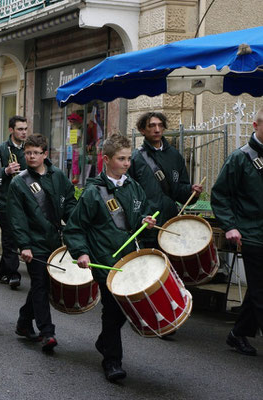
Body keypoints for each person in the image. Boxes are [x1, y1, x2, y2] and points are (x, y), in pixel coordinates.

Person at [63, 133, 156, 382]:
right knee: (112, 309)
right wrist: (81, 252)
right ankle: (112, 362)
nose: (127, 163)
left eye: (128, 158)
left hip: (130, 260)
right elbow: (75, 227)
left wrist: (147, 220)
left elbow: (142, 211)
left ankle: (104, 341)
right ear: (106, 160)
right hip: (105, 260)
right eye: (121, 159)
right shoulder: (93, 192)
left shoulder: (134, 186)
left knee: (125, 309)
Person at [7, 133, 77, 352]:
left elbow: (70, 202)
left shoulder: (58, 176)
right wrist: (24, 245)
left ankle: (23, 322)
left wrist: (76, 225)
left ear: (45, 154)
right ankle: (47, 332)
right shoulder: (19, 183)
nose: (31, 157)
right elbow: (17, 218)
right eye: (28, 153)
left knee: (43, 285)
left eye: (36, 153)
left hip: (54, 240)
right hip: (34, 242)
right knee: (39, 283)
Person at [211, 108, 263, 357]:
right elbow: (220, 195)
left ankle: (238, 333)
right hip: (250, 233)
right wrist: (230, 226)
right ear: (255, 125)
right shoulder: (240, 158)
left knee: (257, 289)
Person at [128, 112, 202, 247]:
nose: (157, 129)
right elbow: (129, 196)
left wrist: (191, 191)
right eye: (152, 126)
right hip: (147, 229)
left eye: (160, 125)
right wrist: (140, 219)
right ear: (142, 130)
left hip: (171, 226)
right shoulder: (135, 158)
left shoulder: (175, 156)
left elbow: (180, 191)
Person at [0, 115, 28, 288]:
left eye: (25, 129)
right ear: (11, 130)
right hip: (4, 201)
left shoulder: (28, 150)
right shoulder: (0, 149)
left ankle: (3, 271)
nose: (23, 132)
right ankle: (13, 274)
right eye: (20, 129)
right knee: (9, 238)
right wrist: (5, 170)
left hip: (23, 202)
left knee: (15, 237)